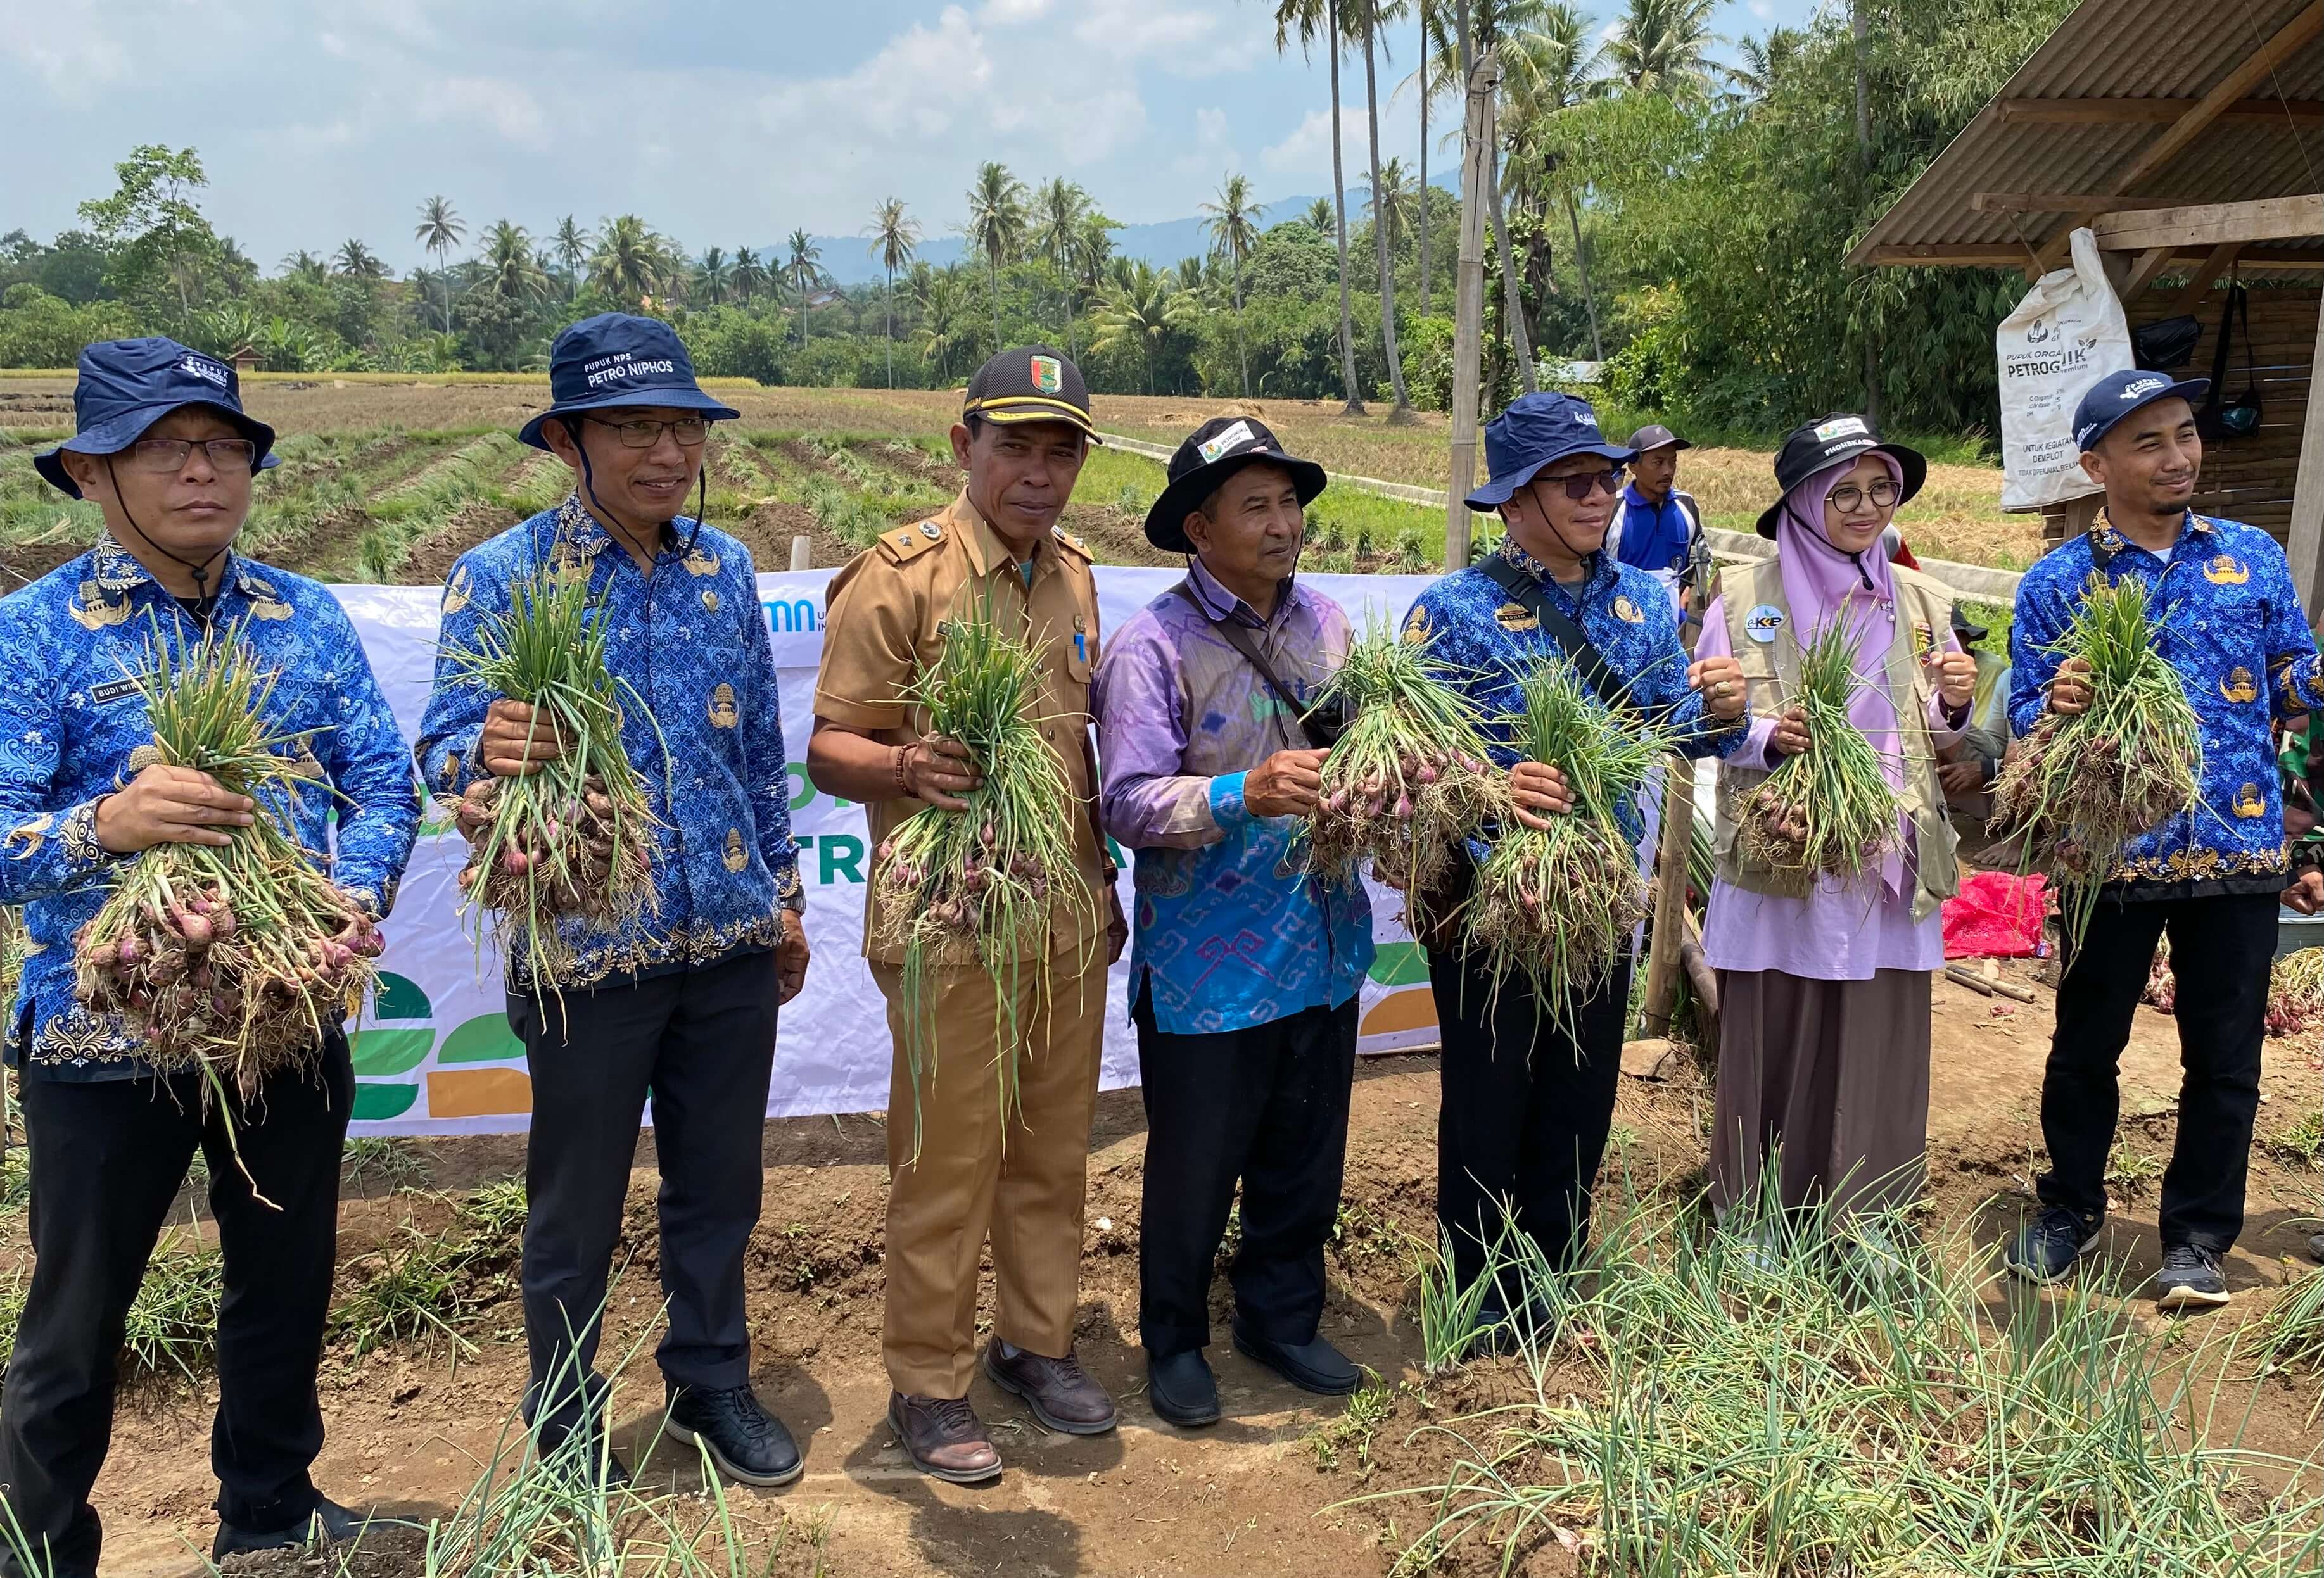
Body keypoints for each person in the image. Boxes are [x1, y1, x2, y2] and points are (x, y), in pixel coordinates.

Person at [0, 339, 418, 1575]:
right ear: (89, 469)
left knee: (282, 1282)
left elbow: (384, 782)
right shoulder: (34, 633)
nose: (203, 470)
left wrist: (354, 895)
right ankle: (38, 1545)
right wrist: (102, 827)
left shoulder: (304, 615)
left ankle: (271, 1511)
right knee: (77, 1319)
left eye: (224, 444)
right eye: (164, 446)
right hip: (103, 1037)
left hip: (283, 1009)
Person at [414, 314, 812, 1485]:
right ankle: (566, 1405)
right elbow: (446, 749)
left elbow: (759, 757)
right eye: (630, 426)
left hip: (729, 940)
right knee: (574, 1202)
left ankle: (710, 1382)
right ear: (568, 441)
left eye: (679, 425)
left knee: (719, 1184)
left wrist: (783, 895)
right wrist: (482, 766)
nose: (661, 450)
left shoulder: (723, 569)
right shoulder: (500, 576)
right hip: (588, 944)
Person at [806, 348, 1126, 1483]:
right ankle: (927, 1382)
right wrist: (902, 762)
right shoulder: (901, 575)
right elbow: (828, 746)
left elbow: (1076, 749)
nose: (1039, 475)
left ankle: (1033, 1344)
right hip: (950, 922)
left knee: (1048, 1152)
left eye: (1061, 452)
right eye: (1015, 448)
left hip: (1064, 918)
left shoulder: (1077, 576)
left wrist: (1100, 888)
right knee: (946, 1160)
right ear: (963, 447)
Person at [1403, 392, 1749, 1327]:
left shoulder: (1642, 598)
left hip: (1599, 896)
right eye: (1572, 482)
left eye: (1603, 476)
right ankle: (1475, 1290)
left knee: (1581, 1088)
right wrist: (1490, 790)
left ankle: (1552, 1275)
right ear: (1513, 500)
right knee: (1488, 1094)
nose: (1600, 495)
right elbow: (1411, 761)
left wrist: (1723, 712)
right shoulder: (1452, 611)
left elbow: (1676, 733)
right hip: (1489, 899)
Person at [2003, 368, 2324, 1310]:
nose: (2178, 455)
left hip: (2238, 851)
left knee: (2225, 1060)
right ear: (2094, 463)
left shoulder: (2251, 556)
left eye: (2185, 434)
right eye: (2149, 442)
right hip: (2114, 855)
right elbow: (2023, 712)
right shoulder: (2061, 581)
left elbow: (2293, 680)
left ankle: (2197, 1237)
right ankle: (2068, 1210)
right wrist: (2054, 702)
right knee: (2085, 1045)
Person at [1091, 417, 1372, 1428]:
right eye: (1254, 506)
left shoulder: (1329, 627)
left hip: (1324, 943)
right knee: (1193, 1166)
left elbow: (1363, 746)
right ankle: (1173, 1339)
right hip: (1207, 968)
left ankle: (1282, 1318)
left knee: (1305, 1153)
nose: (1282, 523)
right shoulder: (1149, 647)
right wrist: (1242, 792)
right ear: (1198, 529)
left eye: (1290, 502)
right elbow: (1124, 803)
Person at [1695, 415, 1978, 1232]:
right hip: (1786, 847)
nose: (1866, 507)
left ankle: (1868, 1219)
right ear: (1803, 499)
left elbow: (1933, 732)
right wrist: (1764, 736)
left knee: (1877, 1042)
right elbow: (1709, 715)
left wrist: (1955, 701)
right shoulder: (1748, 596)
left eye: (1881, 489)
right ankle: (1755, 1220)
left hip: (1883, 855)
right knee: (1776, 1033)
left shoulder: (1918, 597)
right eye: (1844, 491)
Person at [1935, 606, 2012, 860]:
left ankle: (2023, 838)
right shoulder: (2010, 679)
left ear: (1966, 640)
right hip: (1989, 763)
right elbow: (1994, 742)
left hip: (2015, 779)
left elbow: (2007, 752)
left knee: (2017, 751)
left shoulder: (1990, 668)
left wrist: (1989, 769)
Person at [1609, 424, 1703, 614]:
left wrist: (1688, 591)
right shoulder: (1611, 509)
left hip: (1674, 623)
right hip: (1623, 623)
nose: (1668, 471)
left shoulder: (1687, 506)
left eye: (1673, 462)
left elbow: (1698, 557)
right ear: (1633, 465)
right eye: (1658, 463)